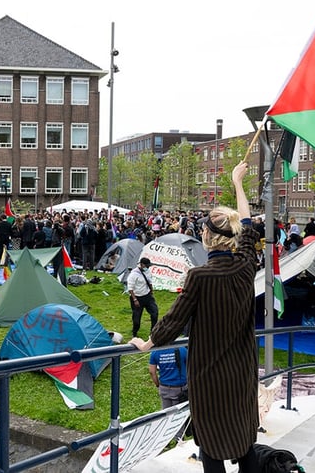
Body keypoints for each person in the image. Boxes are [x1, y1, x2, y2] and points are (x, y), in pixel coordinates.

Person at [130, 160, 259, 473]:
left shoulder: (200, 276)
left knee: (210, 446)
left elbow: (174, 320)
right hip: (242, 371)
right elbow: (249, 225)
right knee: (244, 440)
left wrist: (148, 344)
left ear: (209, 237)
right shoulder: (245, 266)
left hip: (209, 376)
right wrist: (237, 183)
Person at [126, 257, 158, 338]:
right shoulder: (133, 274)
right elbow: (130, 288)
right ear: (142, 264)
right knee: (137, 318)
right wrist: (135, 299)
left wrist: (151, 291)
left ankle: (153, 331)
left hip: (147, 296)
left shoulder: (148, 272)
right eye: (147, 266)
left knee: (155, 313)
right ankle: (134, 333)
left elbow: (150, 282)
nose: (148, 267)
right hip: (137, 297)